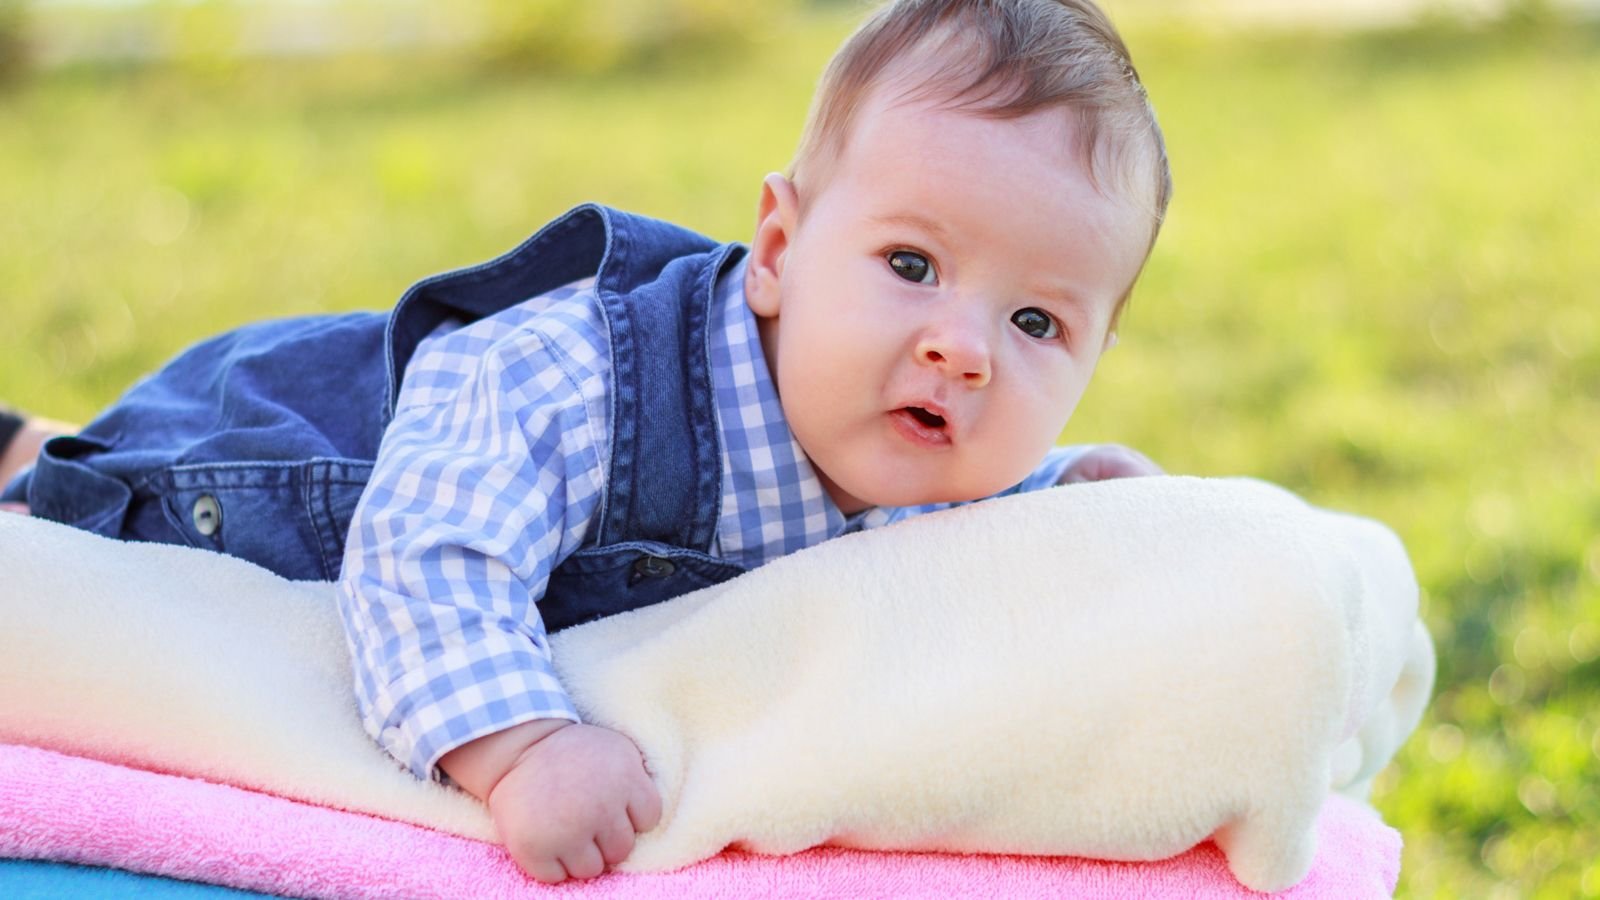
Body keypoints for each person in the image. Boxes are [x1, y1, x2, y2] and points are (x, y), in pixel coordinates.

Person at [0, 0, 1172, 884]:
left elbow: (976, 517)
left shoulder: (929, 436)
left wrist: (1068, 494)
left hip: (359, 452)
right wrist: (521, 748)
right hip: (271, 459)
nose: (962, 350)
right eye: (911, 267)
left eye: (1036, 323)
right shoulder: (577, 379)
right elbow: (429, 542)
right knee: (86, 504)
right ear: (778, 250)